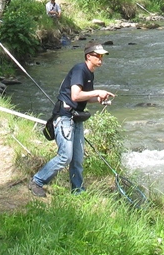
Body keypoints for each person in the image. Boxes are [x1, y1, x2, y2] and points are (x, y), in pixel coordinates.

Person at [30, 44, 115, 196]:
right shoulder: (79, 69)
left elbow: (84, 97)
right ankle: (37, 181)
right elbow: (75, 95)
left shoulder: (89, 73)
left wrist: (99, 99)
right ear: (88, 56)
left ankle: (78, 192)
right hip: (64, 117)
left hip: (75, 118)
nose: (101, 59)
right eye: (98, 55)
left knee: (77, 159)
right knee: (65, 156)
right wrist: (98, 91)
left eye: (102, 56)